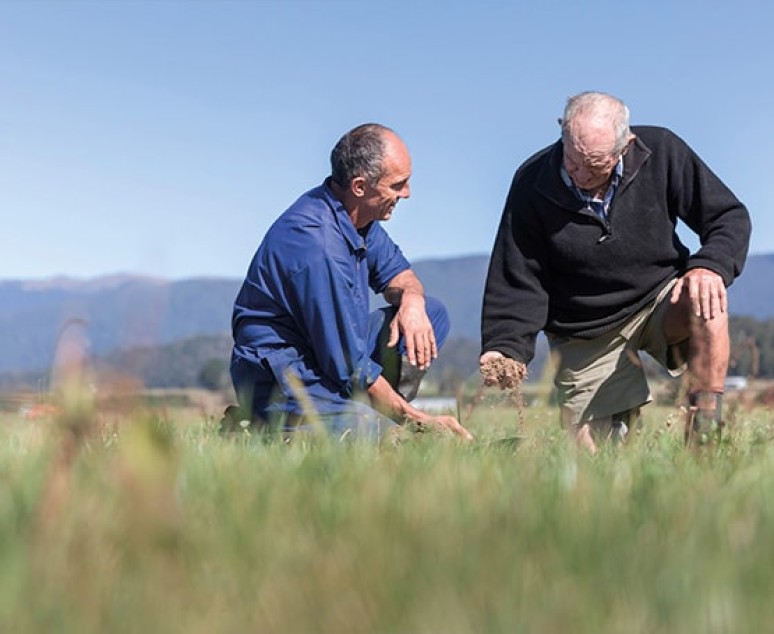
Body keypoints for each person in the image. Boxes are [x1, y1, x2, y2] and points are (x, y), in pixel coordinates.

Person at [480, 91, 751, 452]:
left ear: (626, 146)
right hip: (584, 329)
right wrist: (505, 345)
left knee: (708, 300)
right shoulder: (532, 181)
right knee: (596, 458)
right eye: (573, 160)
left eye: (594, 165)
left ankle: (705, 439)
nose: (579, 174)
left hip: (659, 300)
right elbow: (517, 272)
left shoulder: (662, 150)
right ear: (563, 133)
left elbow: (728, 217)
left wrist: (709, 266)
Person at [228, 123, 472, 441]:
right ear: (360, 187)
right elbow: (348, 365)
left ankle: (372, 415)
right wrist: (419, 423)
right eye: (398, 185)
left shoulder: (358, 218)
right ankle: (262, 426)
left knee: (430, 313)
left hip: (328, 357)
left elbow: (399, 274)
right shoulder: (318, 246)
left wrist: (412, 300)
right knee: (377, 437)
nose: (407, 193)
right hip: (285, 375)